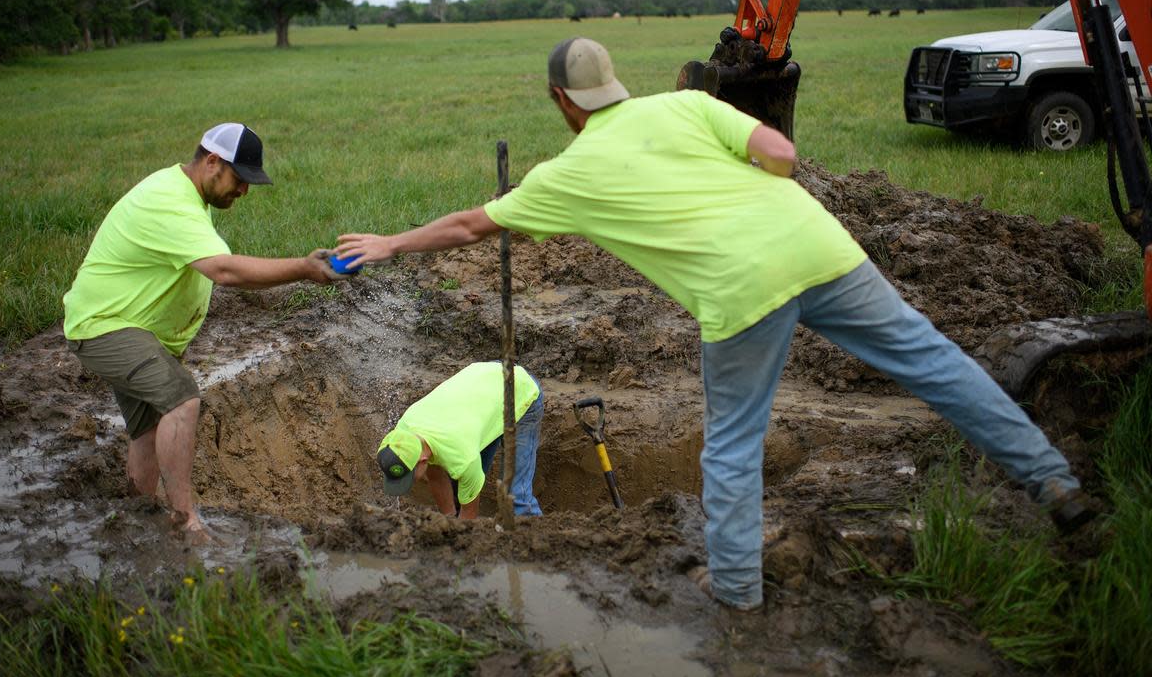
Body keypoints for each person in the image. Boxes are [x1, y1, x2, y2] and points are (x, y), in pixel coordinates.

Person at [337, 38, 1096, 611]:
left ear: (561, 102)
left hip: (740, 294)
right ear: (614, 86)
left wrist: (392, 243)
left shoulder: (564, 177)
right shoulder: (686, 104)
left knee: (731, 446)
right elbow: (783, 152)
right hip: (823, 246)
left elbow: (473, 224)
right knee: (936, 363)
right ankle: (1054, 481)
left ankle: (734, 593)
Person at [63, 123, 342, 541]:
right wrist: (302, 268)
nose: (244, 192)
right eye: (240, 179)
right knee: (182, 399)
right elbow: (225, 271)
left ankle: (137, 514)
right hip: (106, 326)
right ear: (212, 162)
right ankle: (184, 522)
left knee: (149, 429)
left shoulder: (189, 195)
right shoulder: (169, 202)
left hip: (132, 329)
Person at [376, 362, 544, 518]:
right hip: (481, 396)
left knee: (514, 497)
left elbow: (468, 521)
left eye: (409, 477)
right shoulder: (403, 433)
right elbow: (436, 476)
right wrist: (448, 520)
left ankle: (535, 542)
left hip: (517, 389)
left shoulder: (463, 458)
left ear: (422, 460)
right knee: (460, 490)